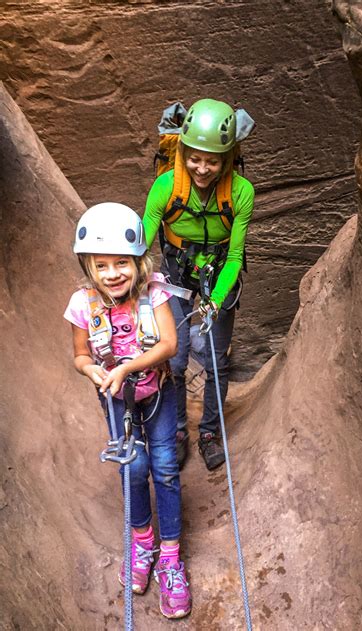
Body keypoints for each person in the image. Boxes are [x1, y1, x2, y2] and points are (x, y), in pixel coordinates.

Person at [63, 202, 191, 620]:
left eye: (122, 263)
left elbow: (169, 345)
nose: (113, 273)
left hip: (157, 394)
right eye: (102, 266)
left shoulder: (153, 293)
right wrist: (94, 373)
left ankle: (170, 557)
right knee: (132, 469)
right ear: (89, 267)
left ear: (139, 262)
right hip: (118, 401)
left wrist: (126, 367)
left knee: (166, 467)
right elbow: (80, 354)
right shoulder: (83, 304)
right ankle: (143, 541)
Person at [143, 98, 255, 471]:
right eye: (194, 158)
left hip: (218, 276)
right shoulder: (165, 187)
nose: (202, 169)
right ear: (184, 152)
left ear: (227, 159)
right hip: (175, 278)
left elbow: (236, 256)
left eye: (212, 161)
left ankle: (209, 432)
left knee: (216, 362)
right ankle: (176, 430)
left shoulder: (241, 193)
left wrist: (216, 299)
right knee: (173, 358)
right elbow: (142, 243)